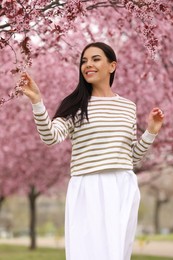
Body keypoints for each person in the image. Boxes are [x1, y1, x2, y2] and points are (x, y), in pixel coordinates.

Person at [20, 42, 164, 260]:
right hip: (88, 185)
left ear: (112, 66)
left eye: (95, 59)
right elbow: (50, 137)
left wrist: (151, 131)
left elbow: (131, 157)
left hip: (123, 185)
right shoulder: (76, 105)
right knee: (87, 252)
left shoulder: (128, 107)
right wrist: (37, 102)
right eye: (84, 61)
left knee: (117, 253)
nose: (88, 65)